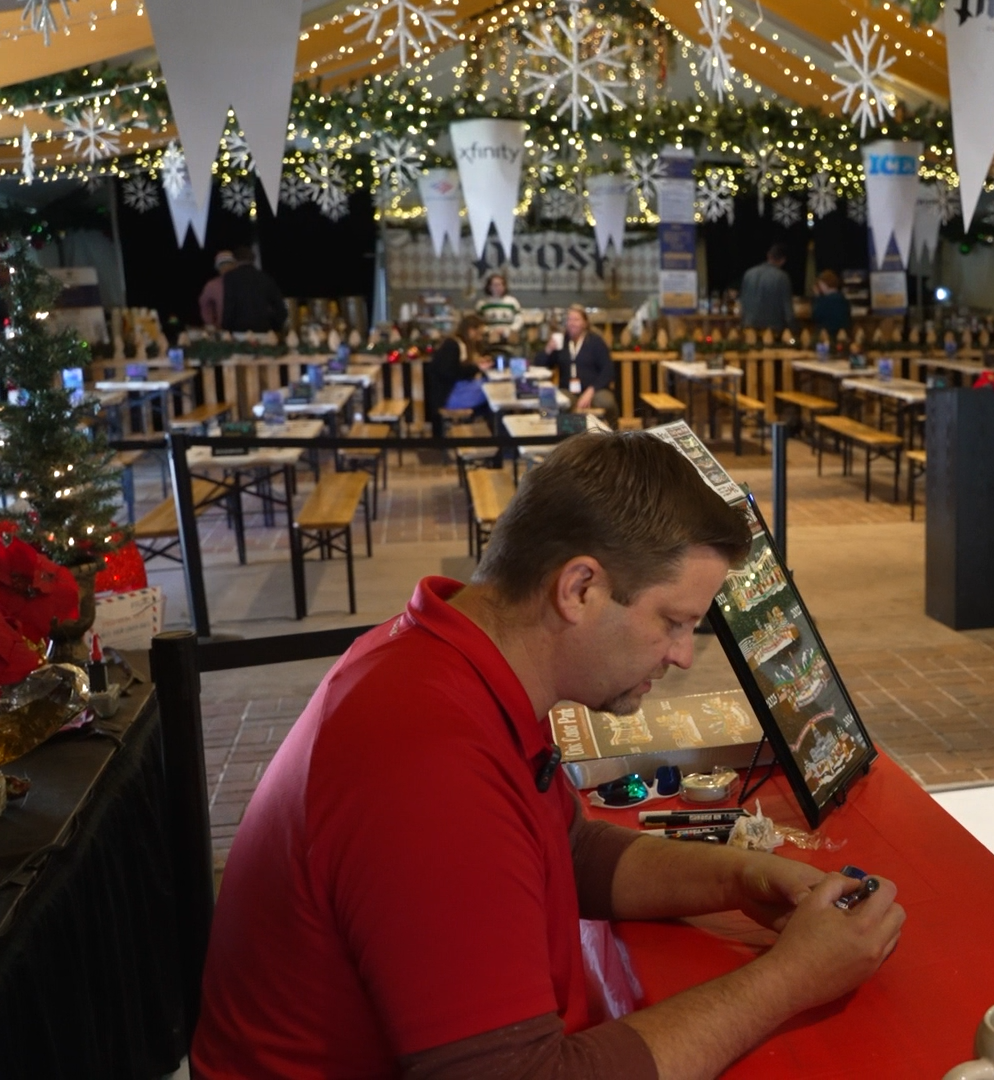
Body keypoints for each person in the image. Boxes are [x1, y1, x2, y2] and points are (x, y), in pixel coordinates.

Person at [193, 433, 906, 1078]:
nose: (685, 655)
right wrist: (791, 977)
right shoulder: (427, 759)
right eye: (673, 621)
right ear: (580, 588)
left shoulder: (446, 662)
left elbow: (566, 851)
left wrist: (747, 878)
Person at [544, 304, 615, 414]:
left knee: (607, 401)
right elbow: (543, 365)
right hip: (568, 390)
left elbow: (607, 371)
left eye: (576, 320)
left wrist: (591, 391)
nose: (572, 323)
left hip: (594, 390)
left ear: (585, 323)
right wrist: (548, 350)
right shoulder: (561, 341)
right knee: (558, 402)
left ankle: (611, 430)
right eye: (569, 319)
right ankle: (565, 431)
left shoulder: (596, 342)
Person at [427, 315, 485, 435]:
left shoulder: (457, 344)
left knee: (488, 389)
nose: (480, 338)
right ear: (471, 331)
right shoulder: (452, 345)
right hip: (448, 397)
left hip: (452, 392)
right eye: (479, 334)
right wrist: (475, 368)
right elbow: (450, 372)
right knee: (488, 390)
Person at [219, 245, 287, 335]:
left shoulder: (230, 278)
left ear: (235, 260)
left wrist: (226, 329)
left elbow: (229, 306)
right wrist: (274, 327)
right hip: (264, 331)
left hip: (239, 332)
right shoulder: (266, 278)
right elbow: (281, 309)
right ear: (253, 260)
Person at [739, 243, 794, 331]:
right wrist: (793, 328)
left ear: (768, 255)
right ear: (783, 260)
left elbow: (743, 301)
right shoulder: (782, 277)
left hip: (749, 325)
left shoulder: (749, 273)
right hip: (773, 328)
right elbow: (787, 309)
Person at [477, 271, 524, 342]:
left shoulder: (512, 302)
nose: (498, 287)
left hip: (509, 337)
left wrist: (509, 330)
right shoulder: (482, 304)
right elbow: (478, 323)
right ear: (489, 287)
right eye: (495, 285)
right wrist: (489, 330)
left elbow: (519, 319)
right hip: (489, 338)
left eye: (501, 285)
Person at [199, 250, 236, 329]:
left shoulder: (243, 283)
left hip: (245, 329)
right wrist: (211, 325)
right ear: (218, 268)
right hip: (222, 330)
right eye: (222, 265)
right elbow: (205, 306)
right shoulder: (212, 285)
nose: (226, 267)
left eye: (229, 264)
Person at [810, 270, 851, 338]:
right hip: (842, 335)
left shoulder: (825, 300)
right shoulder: (843, 299)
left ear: (825, 284)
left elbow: (816, 315)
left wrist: (817, 298)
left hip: (826, 335)